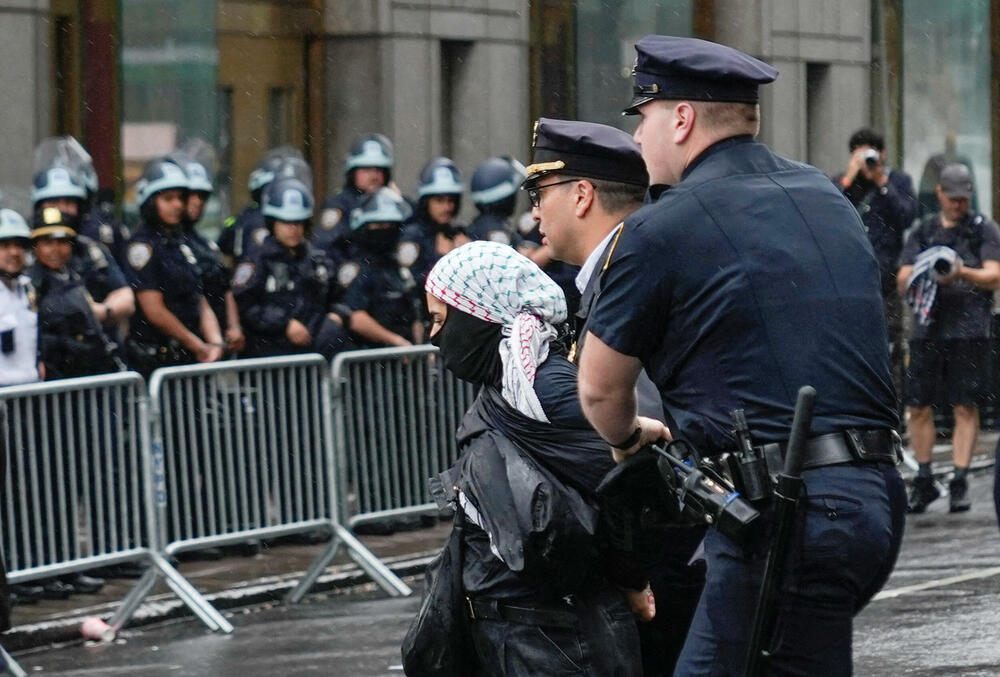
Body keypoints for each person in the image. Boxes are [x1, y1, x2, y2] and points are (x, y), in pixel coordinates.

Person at [577, 35, 906, 675]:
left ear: (681, 118)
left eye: (643, 117)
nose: (638, 138)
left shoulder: (660, 227)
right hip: (870, 499)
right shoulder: (825, 196)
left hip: (787, 514)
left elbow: (597, 389)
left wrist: (627, 436)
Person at [521, 116, 704, 675]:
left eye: (540, 193)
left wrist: (631, 565)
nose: (534, 212)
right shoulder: (619, 269)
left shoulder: (634, 270)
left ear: (581, 195)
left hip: (668, 540)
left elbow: (642, 439)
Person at [423, 240, 642, 677]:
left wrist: (631, 577)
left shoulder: (548, 389)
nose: (433, 335)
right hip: (517, 628)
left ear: (479, 312)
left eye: (439, 319)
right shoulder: (508, 386)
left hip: (556, 636)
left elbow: (622, 485)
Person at [897, 163, 1000, 514]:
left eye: (964, 198)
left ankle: (959, 479)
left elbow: (994, 275)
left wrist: (961, 272)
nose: (958, 204)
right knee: (918, 405)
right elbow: (902, 277)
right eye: (953, 198)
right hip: (928, 329)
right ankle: (924, 478)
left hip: (969, 330)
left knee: (965, 405)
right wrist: (926, 268)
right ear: (940, 193)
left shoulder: (981, 229)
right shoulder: (924, 231)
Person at [232, 176, 354, 359]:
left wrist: (337, 316)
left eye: (298, 222)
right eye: (286, 222)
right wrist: (284, 323)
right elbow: (246, 305)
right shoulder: (256, 260)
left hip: (315, 358)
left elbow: (339, 297)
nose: (293, 229)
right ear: (273, 223)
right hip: (272, 359)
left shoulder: (317, 260)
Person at [834, 128, 915, 401]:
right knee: (852, 347)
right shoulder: (845, 184)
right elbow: (829, 216)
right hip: (850, 283)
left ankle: (892, 409)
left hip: (887, 281)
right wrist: (849, 178)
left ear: (882, 155)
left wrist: (881, 180)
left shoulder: (898, 182)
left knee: (892, 347)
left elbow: (906, 217)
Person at [124, 158, 224, 378]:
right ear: (151, 202)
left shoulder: (181, 242)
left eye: (180, 198)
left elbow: (200, 300)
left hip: (190, 357)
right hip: (157, 360)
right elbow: (154, 310)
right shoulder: (142, 246)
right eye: (168, 199)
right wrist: (197, 345)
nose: (178, 205)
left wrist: (216, 342)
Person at [27, 207, 125, 380]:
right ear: (36, 247)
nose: (55, 250)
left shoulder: (81, 271)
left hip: (91, 367)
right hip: (57, 371)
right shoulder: (31, 283)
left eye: (62, 242)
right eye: (48, 243)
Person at [170, 151, 245, 356]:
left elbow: (225, 285)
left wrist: (234, 326)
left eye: (202, 196)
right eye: (191, 195)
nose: (197, 202)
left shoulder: (206, 244)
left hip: (217, 344)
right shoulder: (167, 244)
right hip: (189, 346)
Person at [339, 188, 421, 348]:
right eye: (378, 225)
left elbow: (413, 314)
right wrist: (394, 341)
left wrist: (419, 349)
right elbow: (355, 317)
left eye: (390, 225)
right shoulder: (359, 270)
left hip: (406, 361)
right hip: (372, 363)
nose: (385, 230)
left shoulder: (399, 269)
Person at [314, 133, 396, 264]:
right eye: (366, 169)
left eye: (379, 170)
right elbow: (325, 245)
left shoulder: (393, 200)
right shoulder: (340, 204)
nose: (374, 176)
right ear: (353, 172)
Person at [398, 156, 470, 287]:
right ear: (426, 202)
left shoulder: (457, 233)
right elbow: (411, 285)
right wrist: (441, 259)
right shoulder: (412, 236)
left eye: (451, 201)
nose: (447, 207)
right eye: (439, 200)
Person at [0, 209, 39, 387]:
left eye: (19, 246)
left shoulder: (28, 287)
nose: (15, 253)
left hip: (30, 394)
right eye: (5, 246)